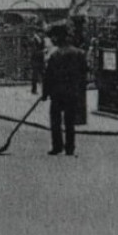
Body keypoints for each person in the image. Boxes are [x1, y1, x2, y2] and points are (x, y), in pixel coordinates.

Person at [42, 25, 87, 156]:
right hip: (72, 92)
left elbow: (48, 76)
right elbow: (84, 72)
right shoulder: (79, 53)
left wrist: (45, 93)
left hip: (57, 93)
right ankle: (70, 147)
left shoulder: (55, 55)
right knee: (70, 121)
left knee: (55, 120)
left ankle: (57, 146)